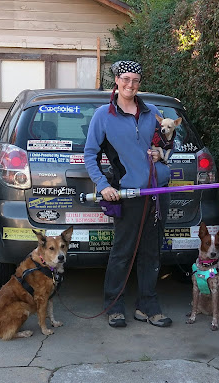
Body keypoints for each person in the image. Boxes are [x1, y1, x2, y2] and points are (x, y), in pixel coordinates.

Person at [84, 60, 172, 328]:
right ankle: (114, 305)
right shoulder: (103, 115)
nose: (130, 85)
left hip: (157, 192)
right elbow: (90, 155)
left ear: (139, 83)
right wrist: (103, 185)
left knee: (151, 253)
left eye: (135, 80)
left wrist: (162, 153)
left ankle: (147, 305)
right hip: (129, 193)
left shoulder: (152, 112)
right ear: (117, 81)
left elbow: (169, 143)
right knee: (122, 252)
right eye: (125, 79)